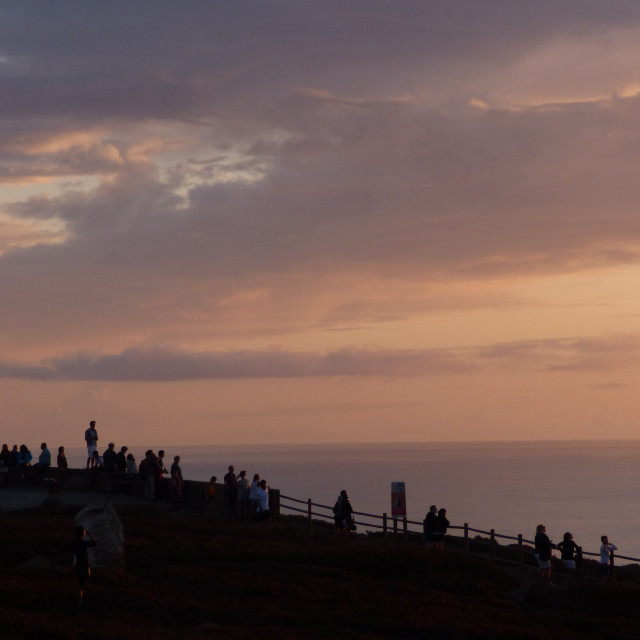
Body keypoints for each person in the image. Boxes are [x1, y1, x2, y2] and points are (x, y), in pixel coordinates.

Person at [72, 525, 97, 607]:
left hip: (78, 565)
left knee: (80, 585)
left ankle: (80, 601)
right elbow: (94, 543)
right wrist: (90, 535)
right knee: (87, 582)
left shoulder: (75, 542)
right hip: (84, 565)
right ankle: (87, 600)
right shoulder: (83, 542)